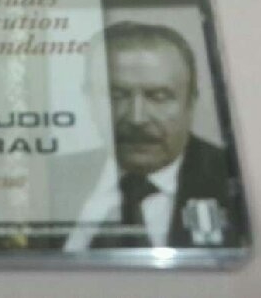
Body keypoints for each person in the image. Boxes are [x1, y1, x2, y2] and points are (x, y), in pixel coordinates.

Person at [63, 21, 239, 249]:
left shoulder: (231, 180)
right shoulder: (49, 178)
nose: (137, 118)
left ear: (191, 102)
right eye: (116, 95)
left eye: (159, 96)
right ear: (89, 99)